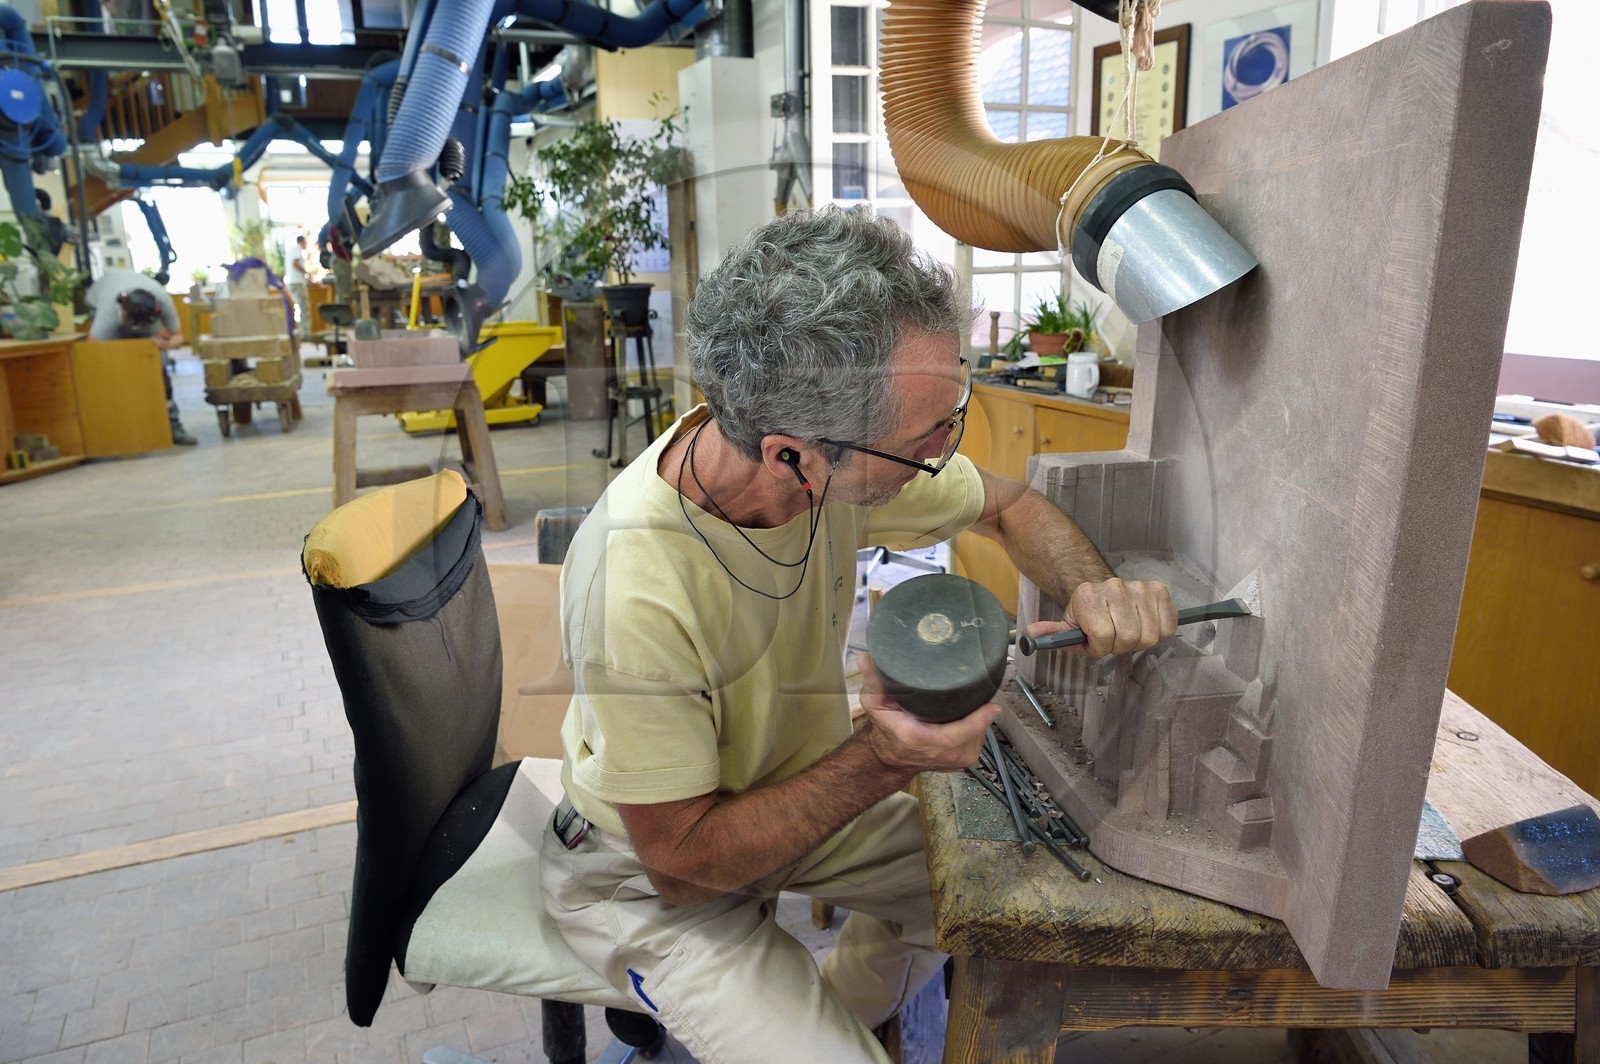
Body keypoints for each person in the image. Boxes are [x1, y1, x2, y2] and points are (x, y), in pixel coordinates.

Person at [543, 207, 1176, 1062]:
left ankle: (846, 1008)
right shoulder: (637, 585)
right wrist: (883, 758)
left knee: (1011, 898)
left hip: (785, 789)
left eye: (951, 417)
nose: (945, 454)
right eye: (925, 441)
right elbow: (683, 862)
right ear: (792, 457)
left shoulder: (828, 464)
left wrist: (1093, 588)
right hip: (653, 876)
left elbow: (1014, 506)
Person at [85, 268, 196, 446]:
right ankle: (118, 429)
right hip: (102, 300)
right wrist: (122, 355)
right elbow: (94, 347)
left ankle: (173, 426)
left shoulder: (163, 300)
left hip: (141, 310)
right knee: (110, 365)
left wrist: (165, 345)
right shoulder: (110, 309)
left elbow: (179, 336)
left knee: (159, 362)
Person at [285, 234, 311, 335]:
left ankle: (301, 331)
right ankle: (305, 332)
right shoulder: (297, 249)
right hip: (297, 283)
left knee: (298, 307)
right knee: (303, 307)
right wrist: (306, 272)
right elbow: (295, 263)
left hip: (293, 283)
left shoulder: (291, 250)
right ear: (302, 242)